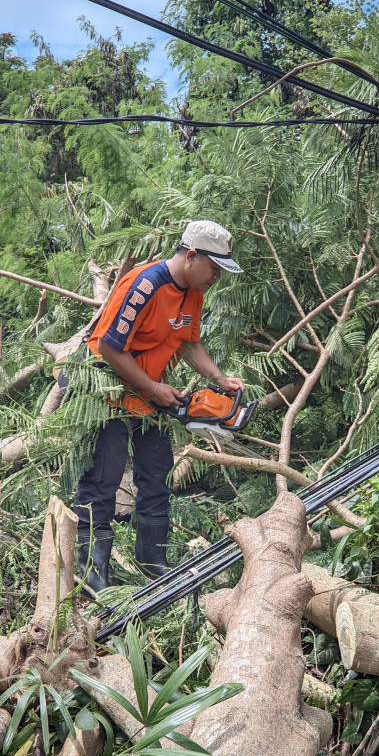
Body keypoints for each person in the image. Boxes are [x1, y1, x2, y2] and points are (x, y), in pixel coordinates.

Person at [73, 219, 245, 594]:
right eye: (214, 267)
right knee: (106, 475)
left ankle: (153, 560)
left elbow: (188, 343)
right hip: (107, 390)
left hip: (148, 395)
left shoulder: (194, 292)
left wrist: (220, 379)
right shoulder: (145, 284)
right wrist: (153, 388)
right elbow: (108, 347)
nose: (216, 276)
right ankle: (90, 570)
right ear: (192, 255)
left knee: (157, 474)